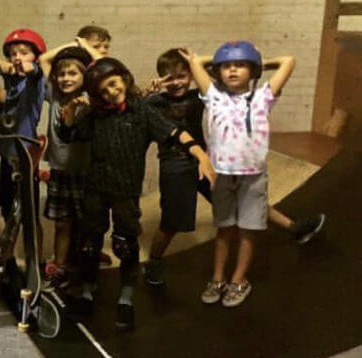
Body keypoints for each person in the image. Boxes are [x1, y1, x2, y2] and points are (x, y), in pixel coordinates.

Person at [142, 48, 326, 287]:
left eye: (181, 76)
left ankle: (294, 228)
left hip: (207, 163)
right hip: (175, 166)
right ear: (161, 78)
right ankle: (154, 261)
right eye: (170, 77)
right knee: (172, 222)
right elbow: (136, 105)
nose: (176, 82)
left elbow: (220, 74)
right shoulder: (154, 102)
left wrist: (201, 62)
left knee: (243, 199)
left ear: (190, 76)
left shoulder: (199, 96)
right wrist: (150, 88)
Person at [59, 57, 214, 331]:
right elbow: (69, 133)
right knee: (90, 243)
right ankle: (87, 289)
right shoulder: (95, 115)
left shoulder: (142, 111)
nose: (110, 92)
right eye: (103, 90)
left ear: (124, 80)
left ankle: (126, 295)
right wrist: (71, 108)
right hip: (95, 188)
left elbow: (175, 133)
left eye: (113, 84)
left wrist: (200, 153)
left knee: (125, 244)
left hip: (126, 191)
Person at [186, 42, 296, 307]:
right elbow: (195, 61)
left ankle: (238, 279)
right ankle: (218, 277)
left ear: (253, 70)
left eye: (240, 65)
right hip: (222, 175)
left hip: (253, 176)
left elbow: (288, 60)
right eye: (226, 66)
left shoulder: (263, 96)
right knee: (224, 230)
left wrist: (258, 60)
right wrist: (222, 57)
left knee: (248, 230)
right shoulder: (213, 96)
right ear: (217, 72)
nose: (232, 70)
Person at [36, 42, 94, 290]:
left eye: (72, 73)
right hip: (60, 169)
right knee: (62, 223)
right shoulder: (55, 95)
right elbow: (43, 60)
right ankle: (59, 266)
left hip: (84, 170)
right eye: (62, 74)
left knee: (85, 224)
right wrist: (73, 44)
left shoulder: (92, 98)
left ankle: (80, 268)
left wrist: (87, 49)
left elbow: (100, 66)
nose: (65, 78)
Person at [0, 28, 48, 227]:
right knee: (7, 209)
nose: (17, 57)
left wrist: (31, 67)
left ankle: (34, 258)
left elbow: (37, 72)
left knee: (29, 214)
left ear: (36, 56)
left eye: (24, 52)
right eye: (13, 53)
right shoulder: (12, 78)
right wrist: (4, 64)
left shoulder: (34, 81)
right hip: (6, 154)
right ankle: (8, 257)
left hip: (26, 156)